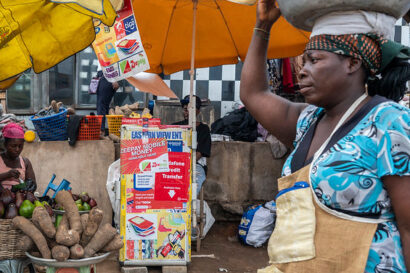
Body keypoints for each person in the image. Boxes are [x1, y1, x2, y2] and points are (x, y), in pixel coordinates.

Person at [240, 1, 410, 272]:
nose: (302, 70)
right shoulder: (307, 120)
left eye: (314, 60)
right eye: (303, 60)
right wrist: (263, 25)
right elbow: (253, 95)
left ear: (352, 63)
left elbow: (408, 226)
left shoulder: (389, 122)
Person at [173, 95, 211, 197]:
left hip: (195, 166)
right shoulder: (174, 127)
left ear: (198, 111)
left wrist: (185, 165)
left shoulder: (204, 129)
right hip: (174, 165)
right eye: (185, 109)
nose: (187, 112)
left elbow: (200, 153)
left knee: (192, 188)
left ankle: (189, 209)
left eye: (190, 109)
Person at [0, 123, 36, 191]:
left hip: (19, 198)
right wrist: (7, 174)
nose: (17, 149)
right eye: (13, 146)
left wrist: (30, 186)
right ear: (5, 144)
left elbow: (33, 183)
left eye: (20, 146)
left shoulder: (25, 162)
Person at [96, 67, 119, 135]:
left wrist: (113, 79)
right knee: (104, 105)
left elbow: (107, 61)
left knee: (101, 104)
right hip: (107, 75)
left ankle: (101, 130)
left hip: (107, 75)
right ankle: (106, 130)